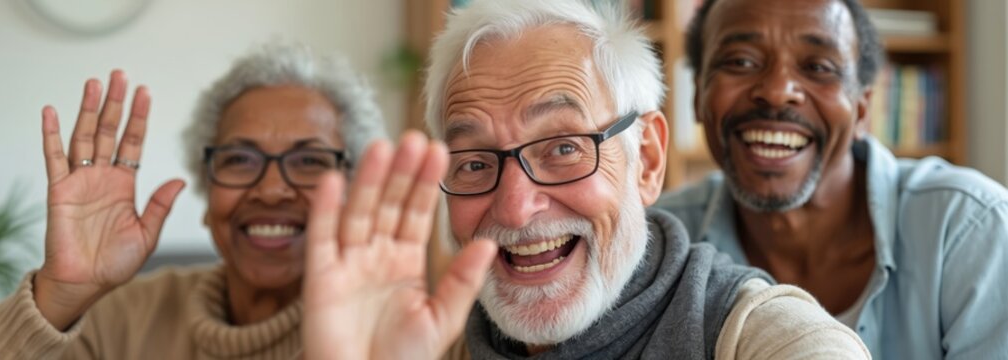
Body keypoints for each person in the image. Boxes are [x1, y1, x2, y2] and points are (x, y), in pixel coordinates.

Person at [298, 0, 869, 358]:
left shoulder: (752, 334)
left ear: (645, 159)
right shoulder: (423, 345)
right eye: (474, 163)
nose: (516, 207)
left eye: (564, 148)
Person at [0, 40, 386, 358]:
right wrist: (59, 295)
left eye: (309, 161)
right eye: (240, 160)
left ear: (354, 191)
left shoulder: (402, 332)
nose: (270, 190)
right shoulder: (121, 321)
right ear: (208, 193)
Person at [655, 0, 1008, 358]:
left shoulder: (972, 231)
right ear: (698, 95)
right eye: (740, 62)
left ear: (862, 109)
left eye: (818, 67)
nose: (777, 91)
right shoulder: (654, 245)